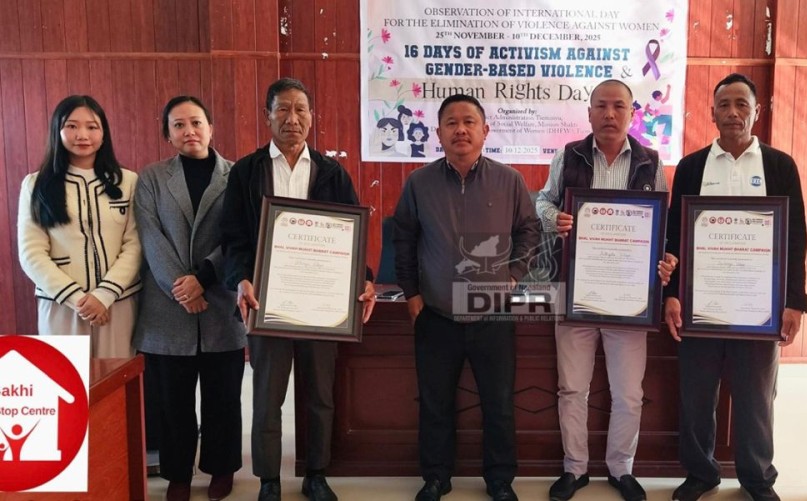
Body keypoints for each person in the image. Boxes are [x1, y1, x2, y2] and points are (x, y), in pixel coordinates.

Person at [220, 77, 376, 501]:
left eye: (301, 110)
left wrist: (364, 279)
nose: (293, 118)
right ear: (267, 116)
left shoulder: (331, 172)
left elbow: (351, 235)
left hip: (322, 305)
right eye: (283, 109)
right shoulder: (246, 172)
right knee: (267, 399)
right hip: (267, 302)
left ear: (311, 117)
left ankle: (316, 474)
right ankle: (269, 479)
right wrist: (240, 279)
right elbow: (233, 237)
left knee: (320, 395)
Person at [663, 73, 807, 501]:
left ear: (756, 111)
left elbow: (795, 238)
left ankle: (757, 478)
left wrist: (794, 302)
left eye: (741, 104)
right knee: (696, 396)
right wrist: (671, 294)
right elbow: (674, 235)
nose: (732, 112)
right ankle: (701, 473)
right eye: (724, 104)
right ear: (712, 113)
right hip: (699, 303)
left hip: (758, 307)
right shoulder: (692, 166)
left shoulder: (780, 166)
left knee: (756, 398)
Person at [394, 94, 539, 501]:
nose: (461, 129)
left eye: (469, 122)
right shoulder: (418, 183)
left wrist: (514, 275)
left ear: (484, 131)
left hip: (492, 314)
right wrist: (412, 294)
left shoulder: (509, 180)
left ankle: (499, 480)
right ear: (438, 132)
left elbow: (529, 230)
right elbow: (403, 238)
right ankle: (436, 477)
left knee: (499, 404)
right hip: (436, 314)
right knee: (435, 404)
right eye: (452, 122)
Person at [535, 79, 675, 501]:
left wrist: (667, 260)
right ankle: (574, 469)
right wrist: (553, 217)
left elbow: (663, 227)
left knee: (629, 392)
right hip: (577, 291)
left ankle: (621, 468)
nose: (610, 114)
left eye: (619, 106)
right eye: (601, 106)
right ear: (590, 112)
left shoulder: (651, 162)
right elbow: (542, 200)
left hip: (631, 298)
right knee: (572, 388)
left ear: (633, 113)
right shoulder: (569, 155)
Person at [132, 96, 245, 501]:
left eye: (196, 122)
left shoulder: (237, 175)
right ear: (167, 134)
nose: (188, 131)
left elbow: (240, 237)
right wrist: (181, 286)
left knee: (223, 399)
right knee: (172, 402)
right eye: (178, 125)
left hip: (220, 302)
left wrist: (203, 278)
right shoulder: (151, 178)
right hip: (167, 307)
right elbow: (149, 236)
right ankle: (177, 473)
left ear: (211, 127)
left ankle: (221, 469)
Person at [17, 95, 141, 358]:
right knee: (67, 389)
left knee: (116, 390)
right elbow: (32, 253)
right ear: (57, 131)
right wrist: (79, 300)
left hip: (118, 304)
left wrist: (104, 295)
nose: (82, 134)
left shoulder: (128, 181)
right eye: (72, 126)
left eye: (92, 126)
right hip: (61, 305)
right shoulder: (35, 184)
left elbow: (136, 245)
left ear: (104, 133)